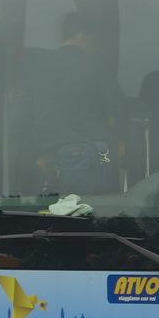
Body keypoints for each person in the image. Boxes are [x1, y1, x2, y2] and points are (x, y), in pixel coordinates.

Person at [23, 12, 126, 195]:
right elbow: (119, 113)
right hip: (91, 165)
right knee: (94, 211)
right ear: (82, 35)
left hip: (51, 166)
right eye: (95, 38)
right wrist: (119, 145)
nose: (97, 44)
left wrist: (36, 156)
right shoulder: (98, 69)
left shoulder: (38, 72)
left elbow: (19, 123)